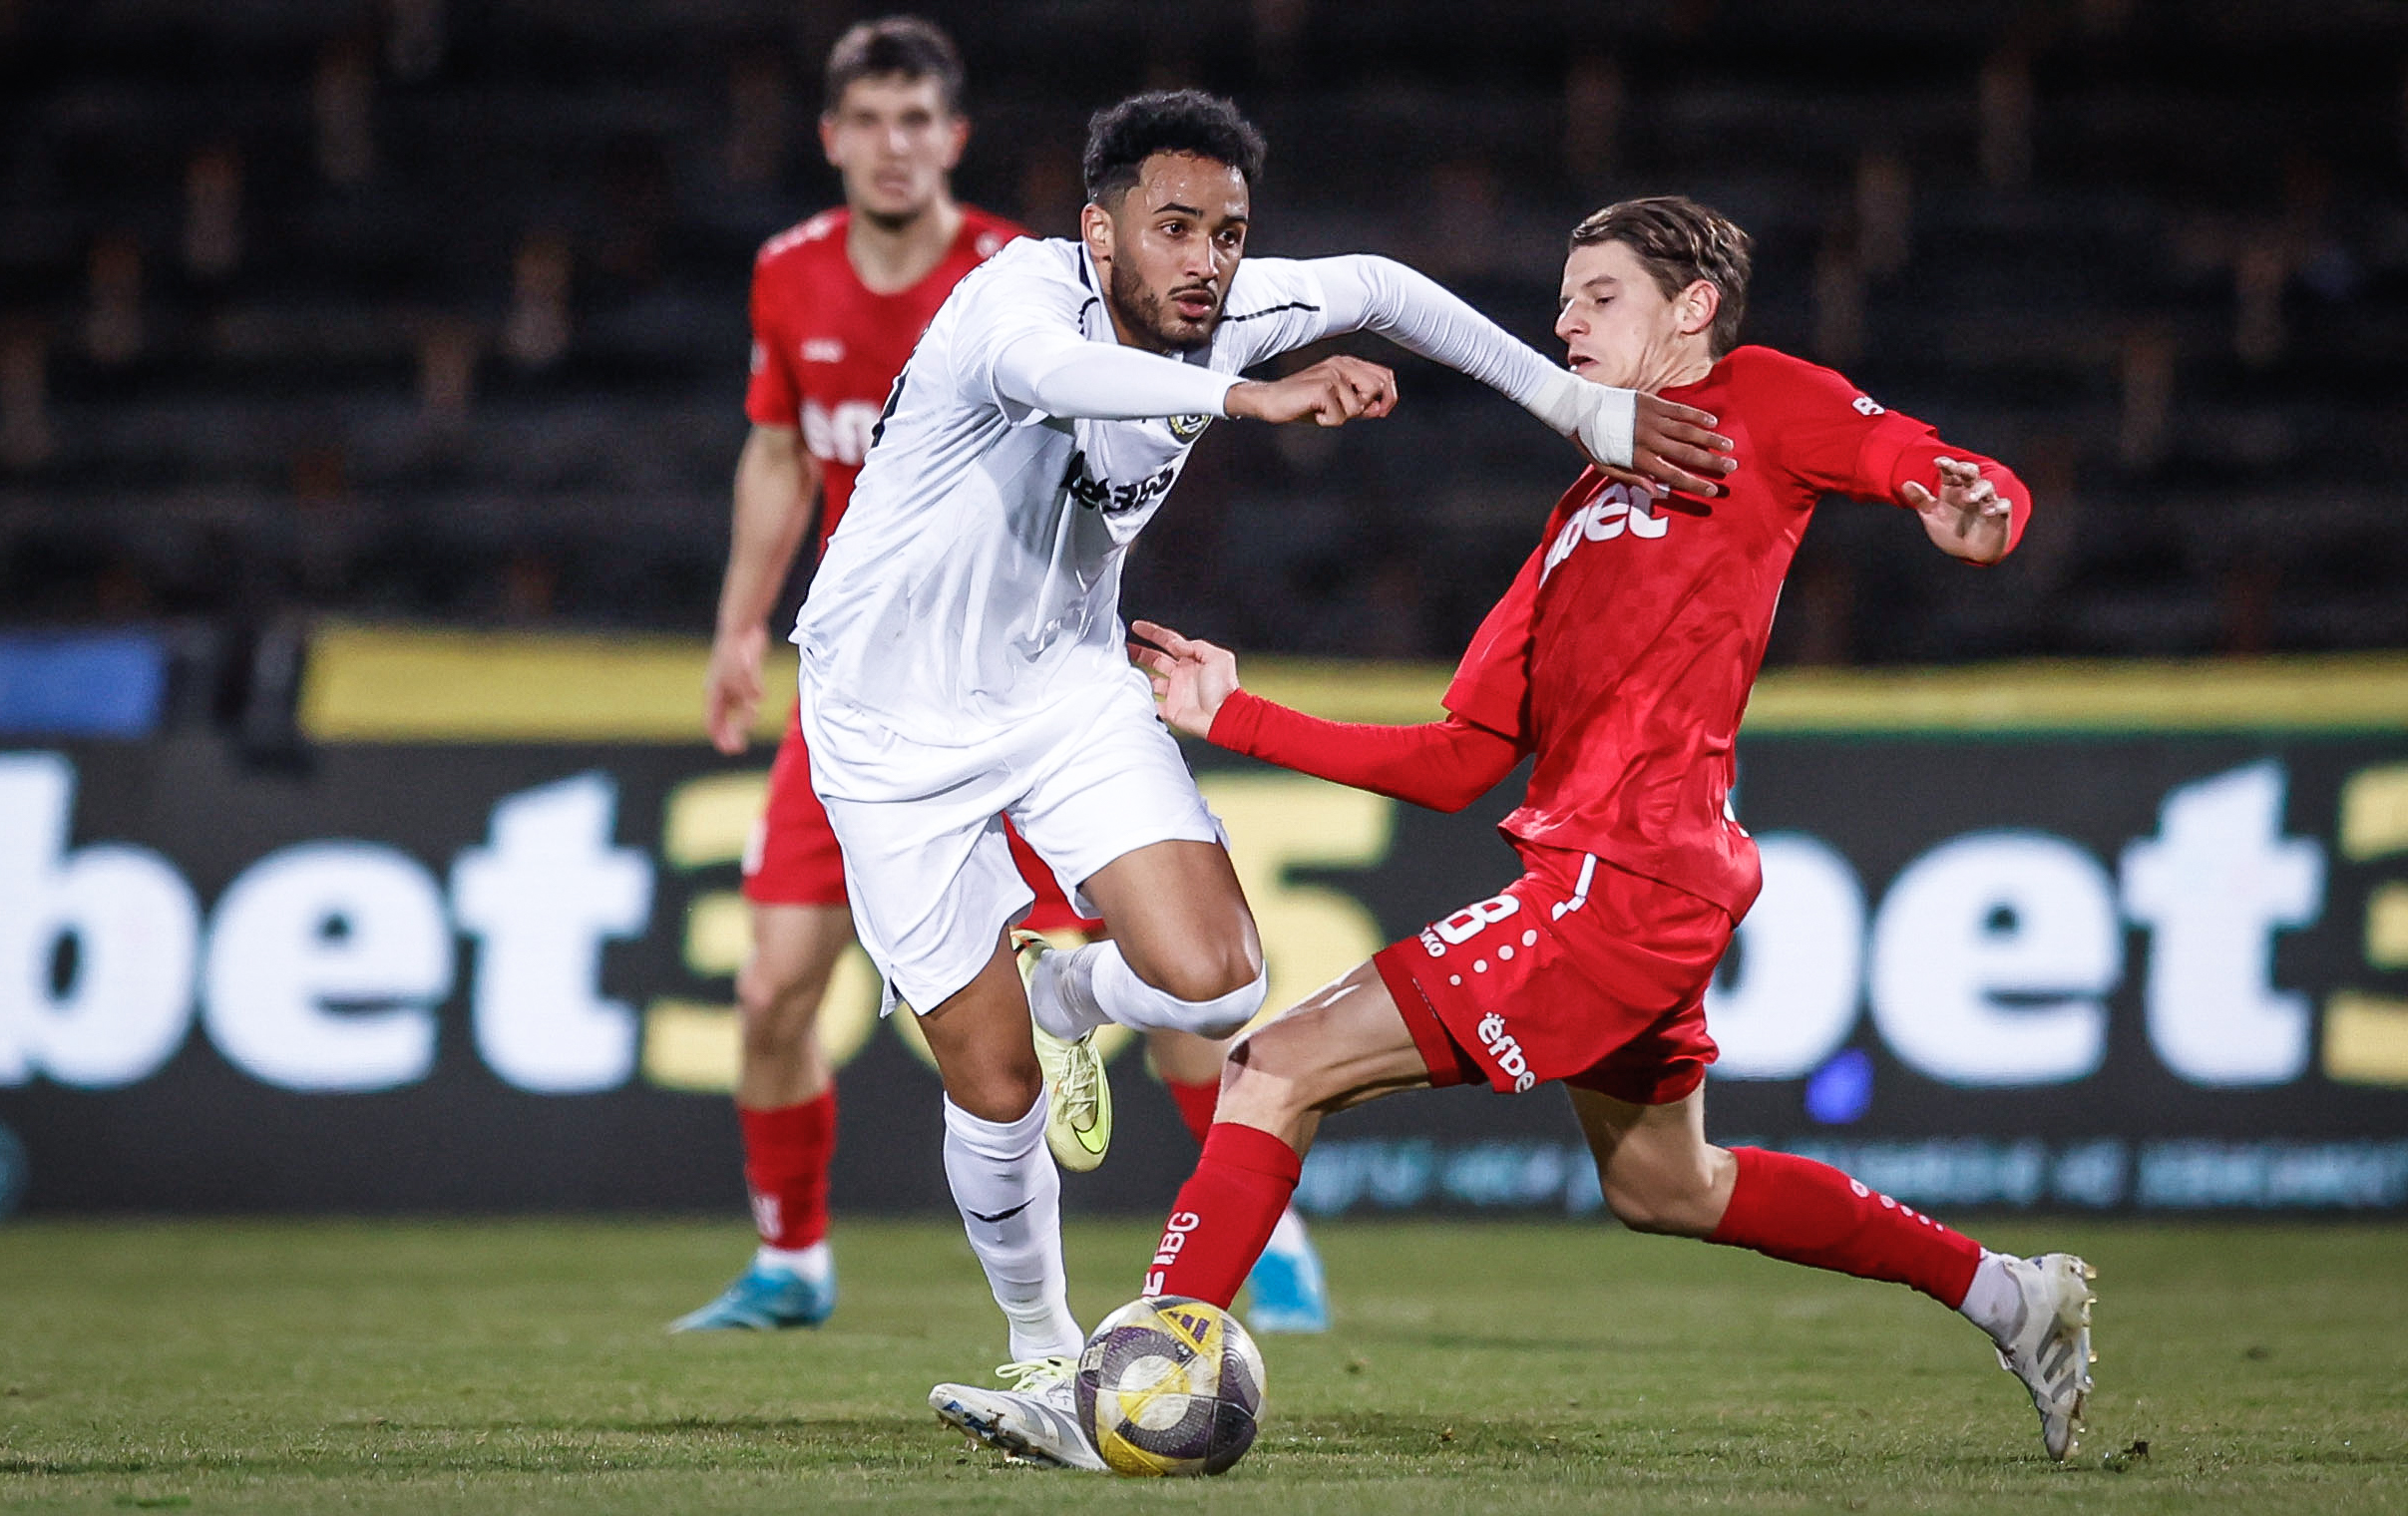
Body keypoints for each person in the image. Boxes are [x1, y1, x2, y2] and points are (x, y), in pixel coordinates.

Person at [957, 194, 2097, 1470]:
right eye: (1561, 301)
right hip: (1636, 882)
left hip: (1622, 879)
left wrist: (1981, 505)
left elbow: (1924, 466)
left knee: (1271, 1064)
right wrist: (1236, 715)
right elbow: (1457, 760)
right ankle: (2010, 1294)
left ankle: (1128, 1385)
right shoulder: (1576, 516)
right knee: (1666, 1185)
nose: (1563, 323)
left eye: (1598, 296)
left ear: (1692, 308)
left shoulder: (1759, 399)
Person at [789, 86, 1731, 1455]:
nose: (1206, 261)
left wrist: (1573, 404)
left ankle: (1066, 989)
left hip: (1065, 681)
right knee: (991, 1089)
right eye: (1172, 227)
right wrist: (1250, 396)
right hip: (887, 719)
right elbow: (1063, 380)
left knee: (1219, 982)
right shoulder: (1013, 304)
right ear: (1098, 232)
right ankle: (1045, 1350)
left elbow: (1383, 288)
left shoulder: (1230, 308)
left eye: (1227, 233)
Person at [676, 22, 1334, 1333]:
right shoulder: (789, 274)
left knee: (1172, 967)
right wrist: (740, 622)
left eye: (917, 119)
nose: (894, 144)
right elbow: (778, 453)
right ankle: (791, 1261)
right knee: (774, 985)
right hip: (867, 690)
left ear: (953, 138)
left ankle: (1265, 1235)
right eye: (870, 120)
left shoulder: (1028, 274)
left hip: (1019, 680)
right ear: (833, 139)